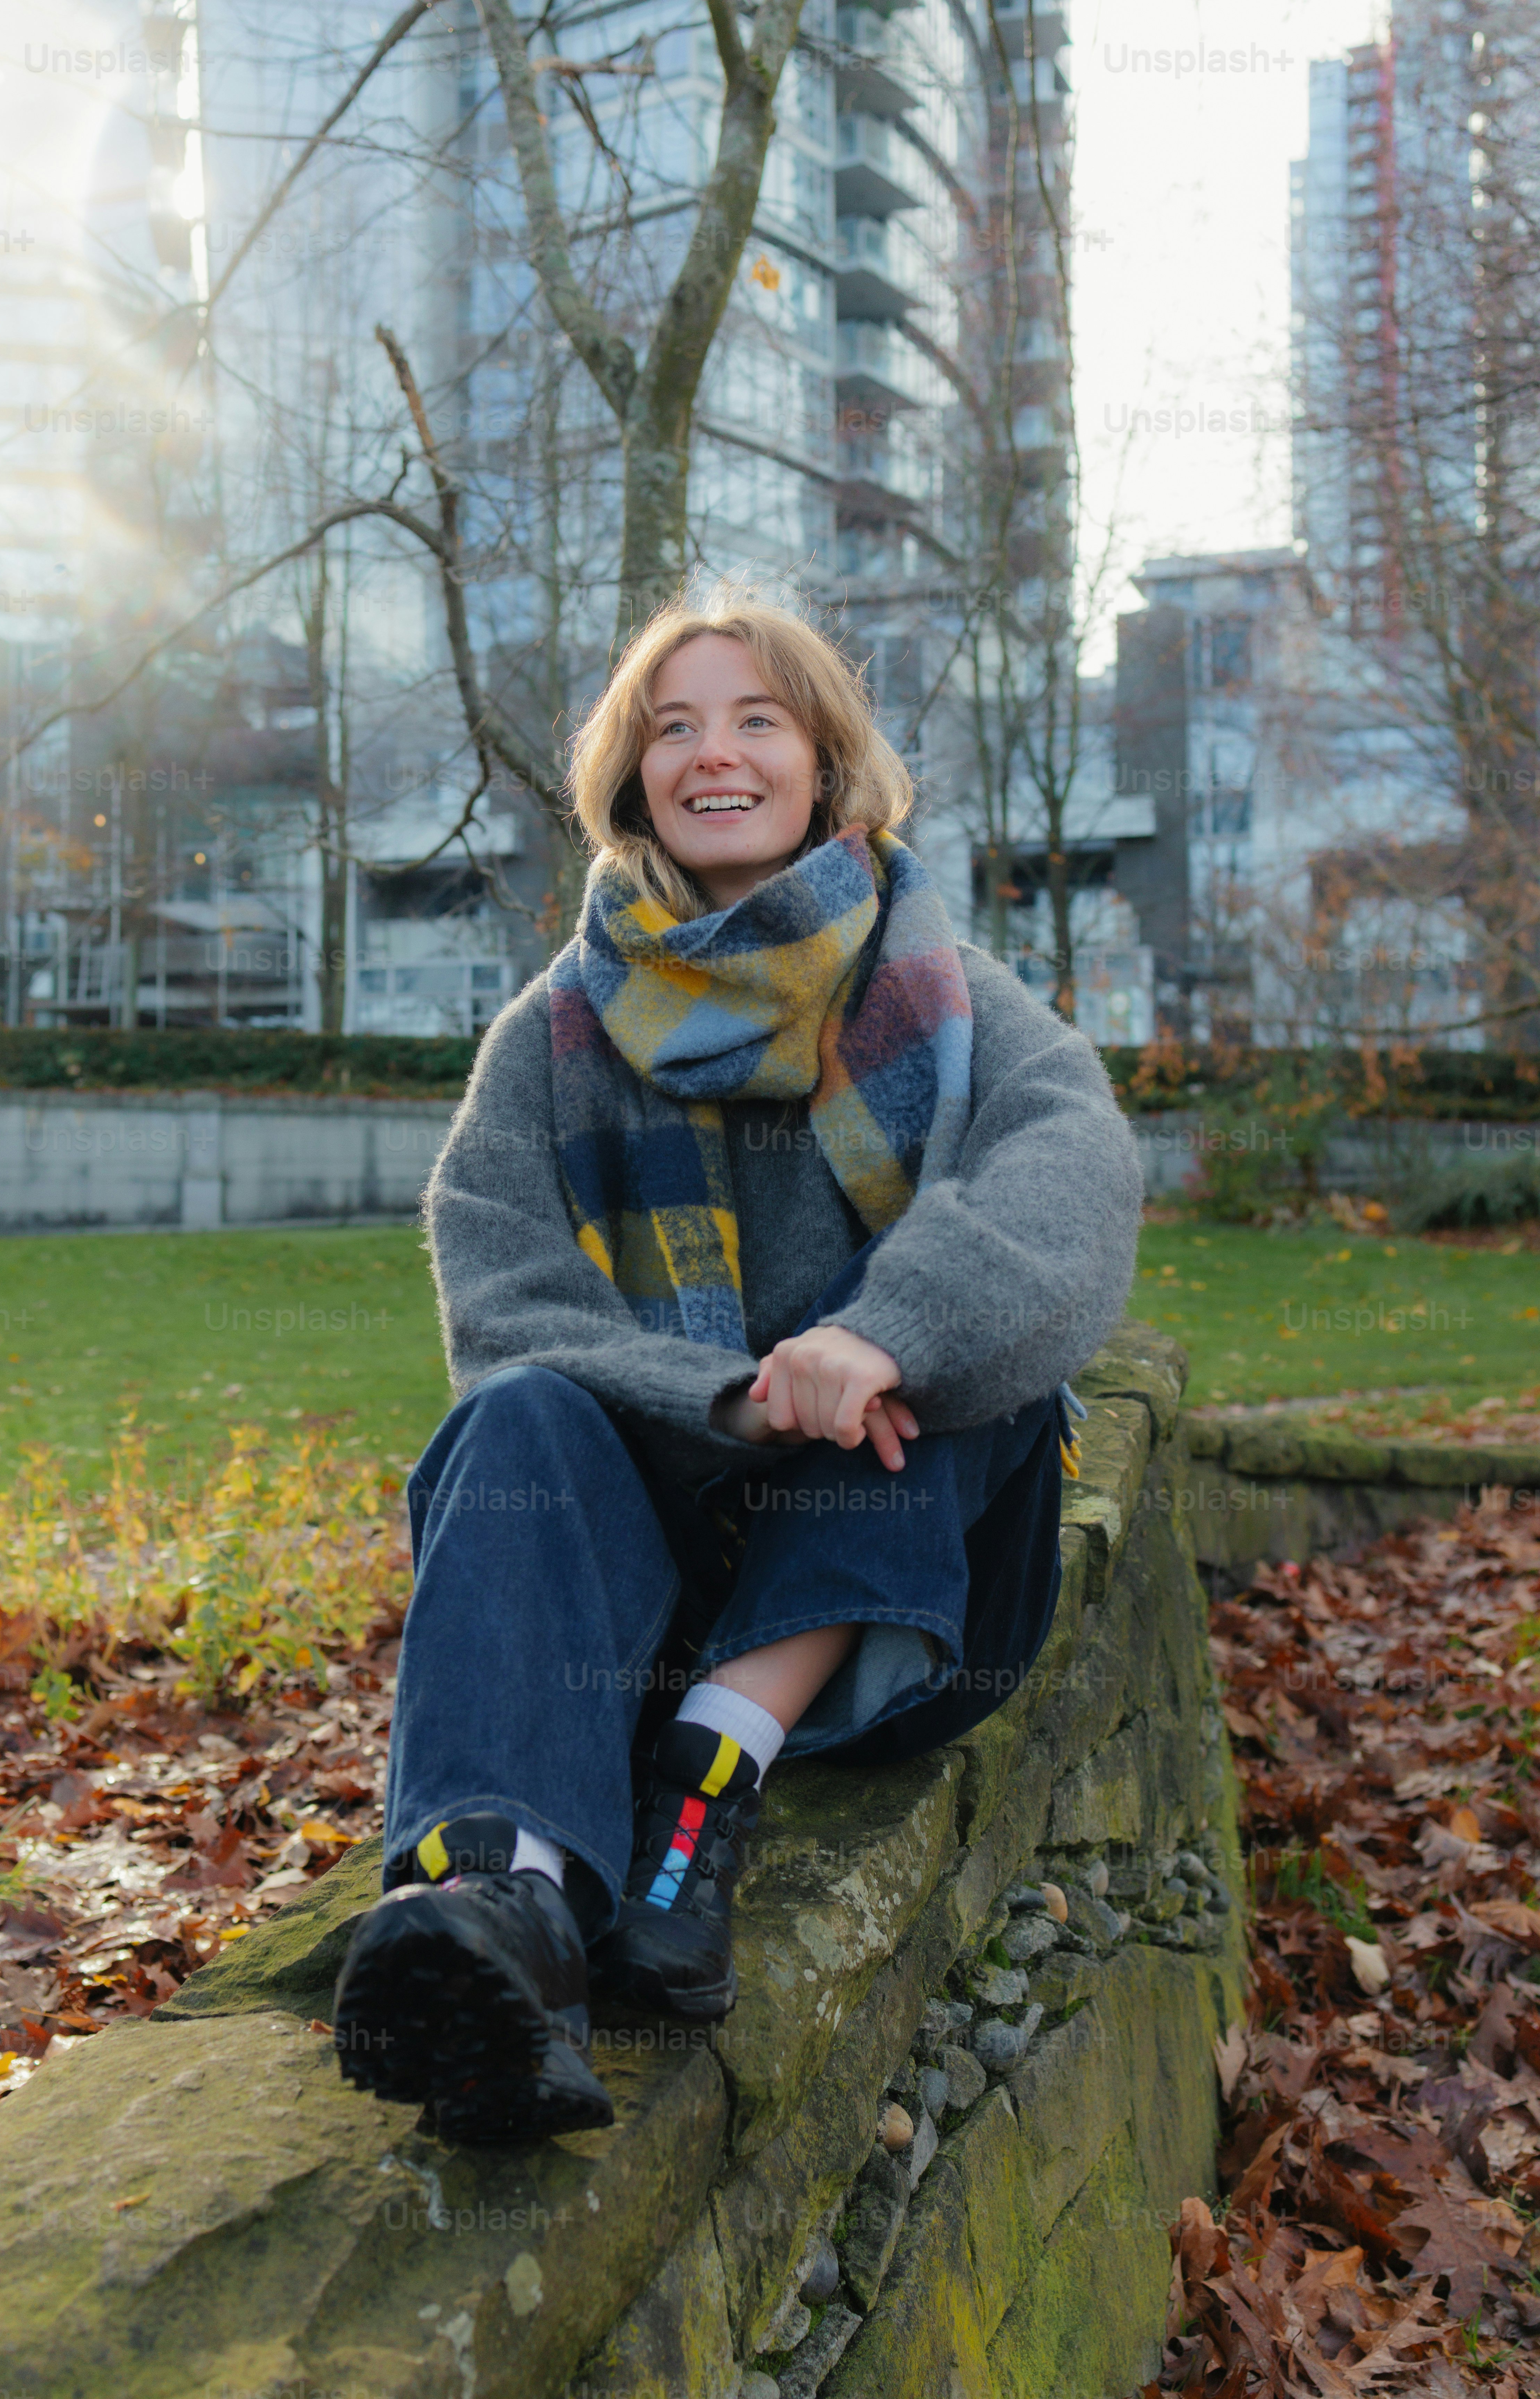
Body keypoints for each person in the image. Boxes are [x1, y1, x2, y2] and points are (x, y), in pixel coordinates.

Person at [332, 595, 1143, 2142]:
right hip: (655, 1571)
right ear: (629, 778)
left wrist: (868, 1338)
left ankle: (711, 1777)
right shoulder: (552, 1033)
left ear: (827, 765)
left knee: (958, 1358)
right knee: (515, 1411)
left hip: (899, 1601)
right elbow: (501, 1295)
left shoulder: (948, 992)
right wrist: (722, 1398)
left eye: (756, 718)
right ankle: (499, 1911)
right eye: (672, 724)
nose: (713, 752)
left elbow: (1073, 1183)